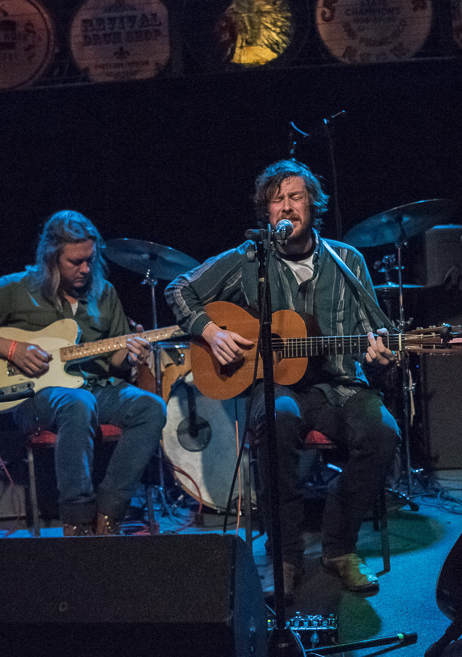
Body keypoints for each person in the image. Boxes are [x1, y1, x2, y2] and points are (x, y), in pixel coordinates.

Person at [165, 160, 400, 600]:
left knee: (384, 433)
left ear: (313, 205)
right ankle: (286, 556)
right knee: (277, 421)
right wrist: (210, 332)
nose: (287, 207)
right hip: (278, 386)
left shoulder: (348, 261)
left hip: (342, 386)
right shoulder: (250, 258)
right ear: (266, 212)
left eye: (295, 197)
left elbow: (376, 334)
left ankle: (339, 546)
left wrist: (382, 358)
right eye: (277, 200)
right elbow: (179, 288)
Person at [0, 210, 166, 536]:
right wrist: (12, 349)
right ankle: (77, 520)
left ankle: (109, 513)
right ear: (51, 258)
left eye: (90, 260)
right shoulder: (16, 288)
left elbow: (116, 355)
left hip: (95, 388)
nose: (85, 269)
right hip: (36, 395)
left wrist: (133, 355)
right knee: (77, 403)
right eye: (75, 262)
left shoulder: (104, 293)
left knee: (151, 407)